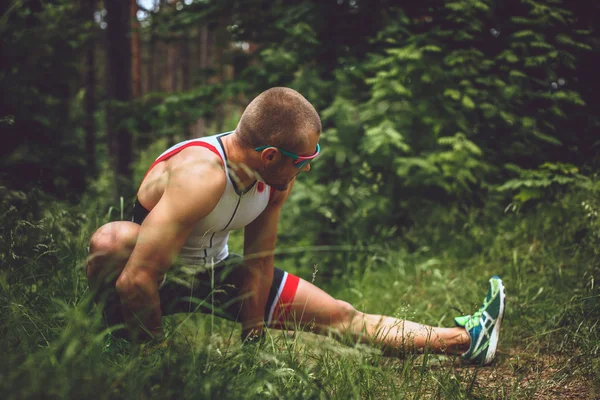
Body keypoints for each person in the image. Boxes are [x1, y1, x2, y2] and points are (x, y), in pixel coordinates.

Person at [86, 87, 505, 365]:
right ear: (270, 155)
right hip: (158, 275)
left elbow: (259, 261)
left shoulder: (273, 180)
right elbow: (136, 279)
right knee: (111, 240)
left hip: (217, 273)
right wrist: (159, 363)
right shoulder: (201, 175)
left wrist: (253, 340)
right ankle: (120, 342)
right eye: (303, 161)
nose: (305, 169)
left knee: (343, 315)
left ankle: (467, 339)